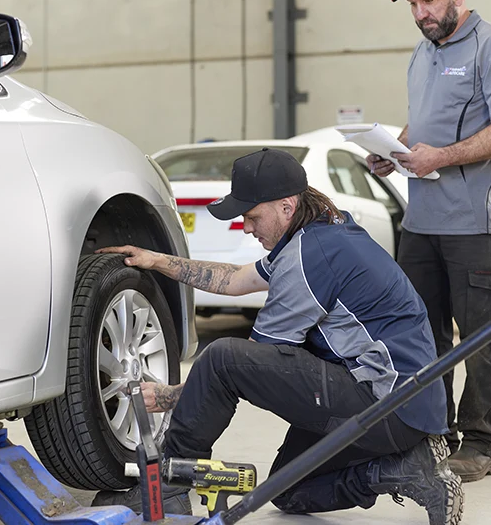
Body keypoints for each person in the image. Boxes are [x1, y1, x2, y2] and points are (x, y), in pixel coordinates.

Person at [93, 148, 463, 524]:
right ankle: (403, 471)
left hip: (385, 403)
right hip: (403, 408)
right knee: (288, 492)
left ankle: (169, 487)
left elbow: (245, 362)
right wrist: (157, 260)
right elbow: (237, 279)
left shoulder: (309, 255)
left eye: (252, 217)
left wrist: (172, 396)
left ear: (286, 206)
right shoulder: (320, 230)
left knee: (223, 358)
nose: (246, 227)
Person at [367, 0, 491, 483]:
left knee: (482, 336)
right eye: (412, 3)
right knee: (418, 333)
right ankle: (433, 433)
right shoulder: (422, 53)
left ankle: (483, 443)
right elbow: (425, 125)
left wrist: (441, 156)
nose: (419, 13)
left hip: (476, 224)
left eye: (428, 0)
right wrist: (394, 148)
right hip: (423, 220)